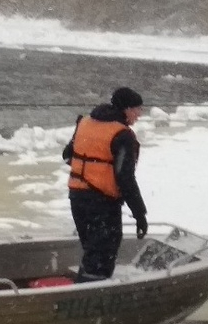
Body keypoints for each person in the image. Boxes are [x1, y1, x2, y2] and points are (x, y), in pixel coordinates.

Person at [62, 87, 148, 282]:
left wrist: (90, 169)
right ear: (126, 109)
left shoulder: (84, 123)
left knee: (92, 250)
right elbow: (125, 178)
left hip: (77, 197)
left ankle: (84, 291)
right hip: (102, 203)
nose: (139, 115)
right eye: (137, 110)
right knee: (102, 254)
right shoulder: (122, 135)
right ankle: (87, 299)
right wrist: (139, 213)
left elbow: (68, 155)